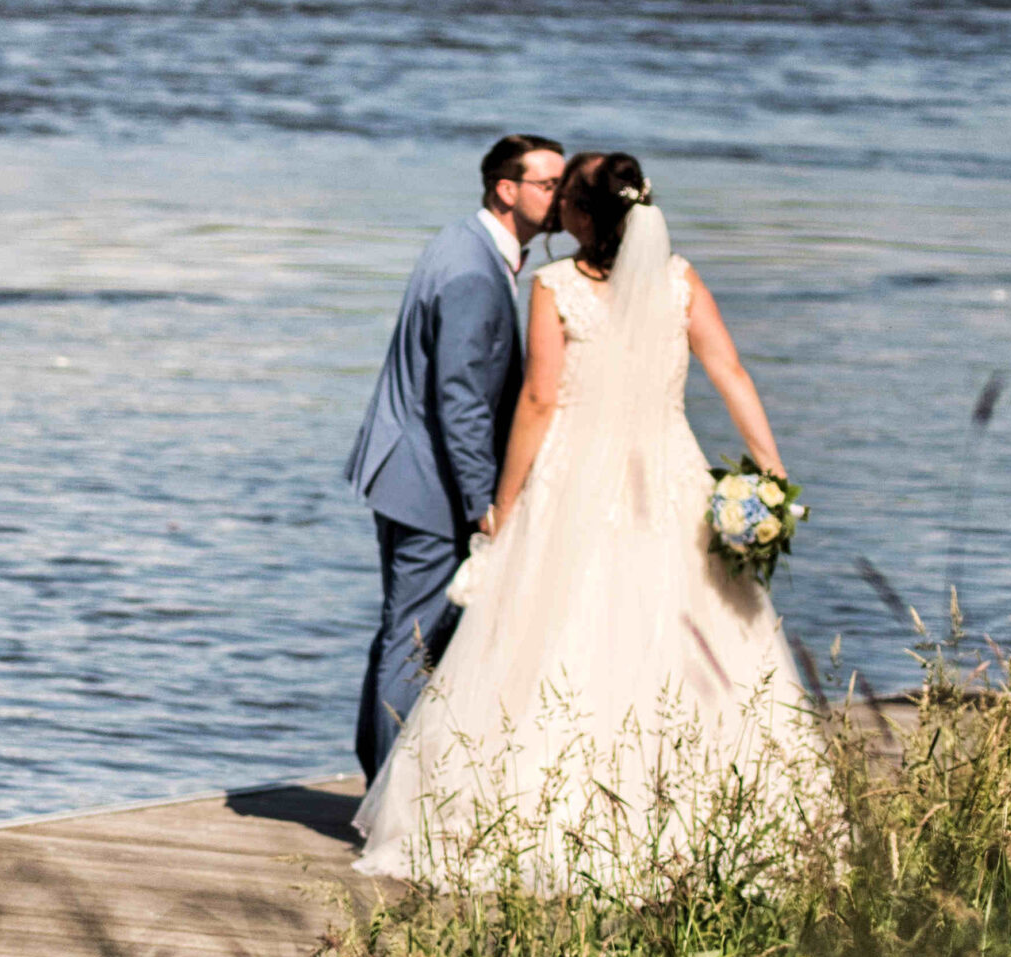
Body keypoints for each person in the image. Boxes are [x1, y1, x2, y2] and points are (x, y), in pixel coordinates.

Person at [353, 153, 821, 886]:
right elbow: (731, 371)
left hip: (573, 482)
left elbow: (539, 402)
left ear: (576, 213)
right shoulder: (681, 281)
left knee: (555, 640)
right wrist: (774, 473)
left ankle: (542, 819)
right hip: (668, 473)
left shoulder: (555, 286)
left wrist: (504, 505)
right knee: (684, 636)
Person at [343, 135, 566, 777]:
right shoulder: (473, 271)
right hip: (429, 483)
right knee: (415, 641)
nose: (559, 198)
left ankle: (380, 777)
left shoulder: (460, 243)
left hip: (406, 469)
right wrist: (484, 505)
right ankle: (387, 793)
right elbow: (461, 396)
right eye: (547, 185)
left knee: (401, 634)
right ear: (507, 189)